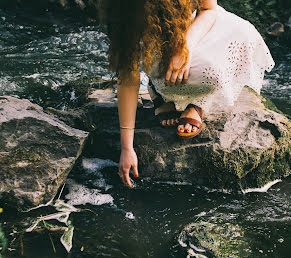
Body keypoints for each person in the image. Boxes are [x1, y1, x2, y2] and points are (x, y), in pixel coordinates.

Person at [99, 0, 275, 187]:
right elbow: (128, 76)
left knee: (238, 40)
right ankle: (159, 91)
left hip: (198, 26)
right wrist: (127, 148)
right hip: (158, 42)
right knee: (175, 68)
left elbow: (208, 9)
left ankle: (199, 102)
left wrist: (185, 48)